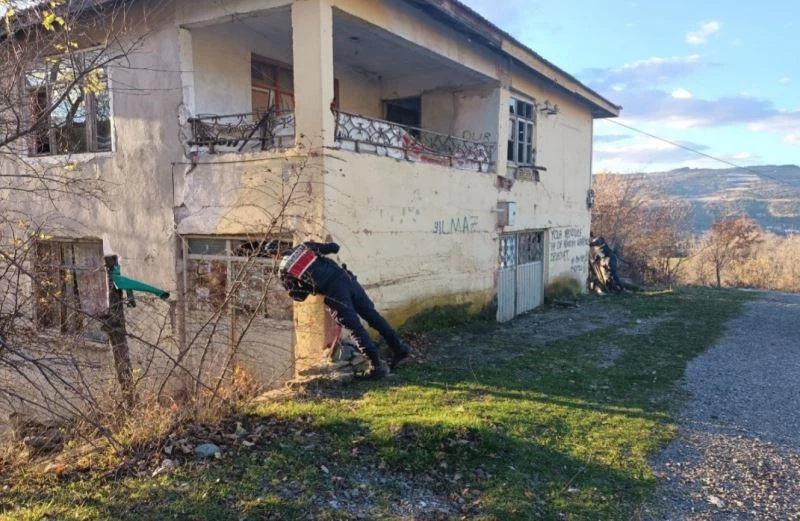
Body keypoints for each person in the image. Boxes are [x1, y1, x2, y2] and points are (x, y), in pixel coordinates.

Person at [274, 240, 411, 380]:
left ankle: (376, 367)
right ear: (286, 247)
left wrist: (308, 283)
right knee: (372, 316)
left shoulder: (284, 270)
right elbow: (334, 247)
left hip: (335, 293)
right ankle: (399, 349)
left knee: (355, 328)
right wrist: (319, 255)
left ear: (275, 256)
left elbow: (299, 296)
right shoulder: (303, 247)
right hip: (348, 279)